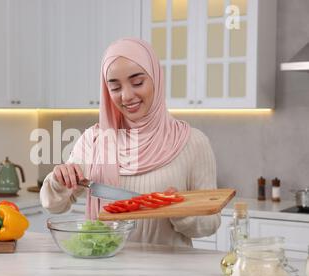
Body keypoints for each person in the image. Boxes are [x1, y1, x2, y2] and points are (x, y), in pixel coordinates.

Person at [40, 38, 219, 247]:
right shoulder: (94, 140)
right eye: (115, 88)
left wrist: (178, 212)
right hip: (105, 271)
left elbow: (210, 224)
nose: (126, 96)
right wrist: (58, 181)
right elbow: (54, 206)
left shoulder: (193, 142)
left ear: (156, 79)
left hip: (170, 275)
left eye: (137, 83)